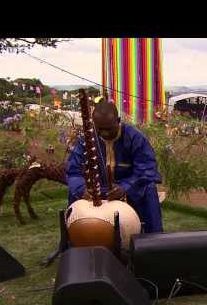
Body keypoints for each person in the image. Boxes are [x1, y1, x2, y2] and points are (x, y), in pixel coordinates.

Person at [66, 99, 163, 233]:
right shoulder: (86, 141)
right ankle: (74, 240)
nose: (104, 133)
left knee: (149, 188)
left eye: (109, 129)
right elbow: (73, 171)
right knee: (73, 191)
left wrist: (125, 187)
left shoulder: (135, 138)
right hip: (97, 191)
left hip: (129, 189)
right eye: (100, 129)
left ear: (118, 120)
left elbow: (147, 170)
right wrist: (83, 189)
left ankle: (152, 241)